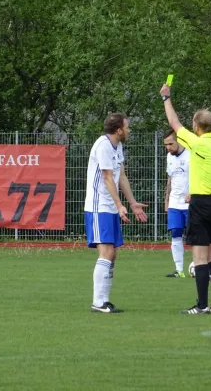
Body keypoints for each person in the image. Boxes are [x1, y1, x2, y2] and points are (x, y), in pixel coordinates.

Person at [160, 84, 211, 314]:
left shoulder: (196, 142)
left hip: (200, 204)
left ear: (196, 126)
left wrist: (166, 98)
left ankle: (201, 306)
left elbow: (174, 123)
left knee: (199, 257)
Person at [84, 113, 148, 313]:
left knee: (113, 254)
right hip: (99, 206)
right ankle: (98, 302)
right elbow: (107, 178)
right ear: (119, 130)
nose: (129, 130)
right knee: (106, 252)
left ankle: (104, 300)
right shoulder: (103, 145)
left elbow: (121, 176)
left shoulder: (118, 146)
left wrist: (132, 203)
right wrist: (120, 205)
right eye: (127, 127)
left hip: (110, 206)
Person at [163, 130, 190, 278]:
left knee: (196, 236)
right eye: (166, 145)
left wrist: (193, 193)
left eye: (170, 144)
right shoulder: (169, 157)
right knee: (175, 233)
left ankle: (202, 267)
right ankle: (179, 270)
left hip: (190, 203)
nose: (168, 147)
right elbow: (170, 179)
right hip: (174, 202)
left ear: (179, 141)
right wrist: (166, 199)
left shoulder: (191, 155)